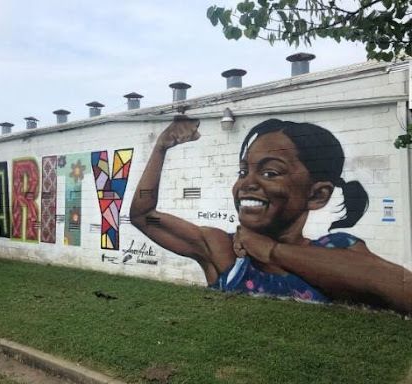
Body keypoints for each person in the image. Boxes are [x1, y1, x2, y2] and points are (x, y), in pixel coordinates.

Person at [130, 115, 412, 314]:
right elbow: (144, 216)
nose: (247, 184)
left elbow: (402, 290)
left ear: (317, 195)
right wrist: (161, 148)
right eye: (244, 172)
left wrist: (271, 250)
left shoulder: (340, 248)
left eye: (270, 172)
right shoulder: (221, 248)